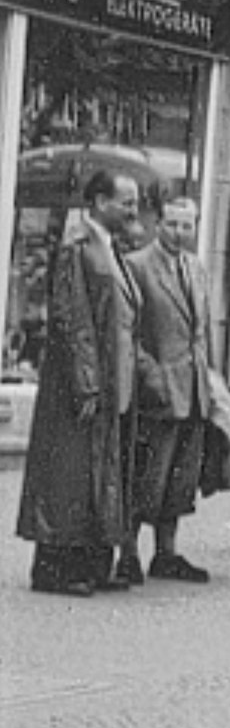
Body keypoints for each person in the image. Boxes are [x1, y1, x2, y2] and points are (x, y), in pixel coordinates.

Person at [14, 170, 141, 597]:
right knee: (69, 475)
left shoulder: (113, 250)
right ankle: (56, 567)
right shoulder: (77, 249)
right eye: (127, 201)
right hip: (81, 385)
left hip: (112, 383)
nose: (134, 210)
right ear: (100, 202)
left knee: (96, 475)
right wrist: (87, 382)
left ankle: (91, 562)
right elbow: (72, 320)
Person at [122, 197, 217, 585]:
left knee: (182, 477)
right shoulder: (138, 266)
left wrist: (210, 380)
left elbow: (202, 331)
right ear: (158, 224)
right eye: (174, 224)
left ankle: (167, 552)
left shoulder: (196, 268)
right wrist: (151, 374)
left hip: (193, 389)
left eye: (188, 225)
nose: (181, 233)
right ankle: (127, 553)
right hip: (157, 390)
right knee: (147, 474)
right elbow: (128, 332)